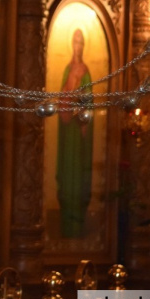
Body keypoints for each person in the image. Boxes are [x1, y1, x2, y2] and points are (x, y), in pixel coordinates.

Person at [56, 28, 93, 238]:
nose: (77, 45)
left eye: (81, 42)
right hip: (67, 131)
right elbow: (62, 101)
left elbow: (88, 101)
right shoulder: (67, 69)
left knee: (77, 178)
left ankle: (77, 227)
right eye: (75, 41)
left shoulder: (85, 70)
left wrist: (81, 99)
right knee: (66, 175)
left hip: (79, 132)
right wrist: (70, 86)